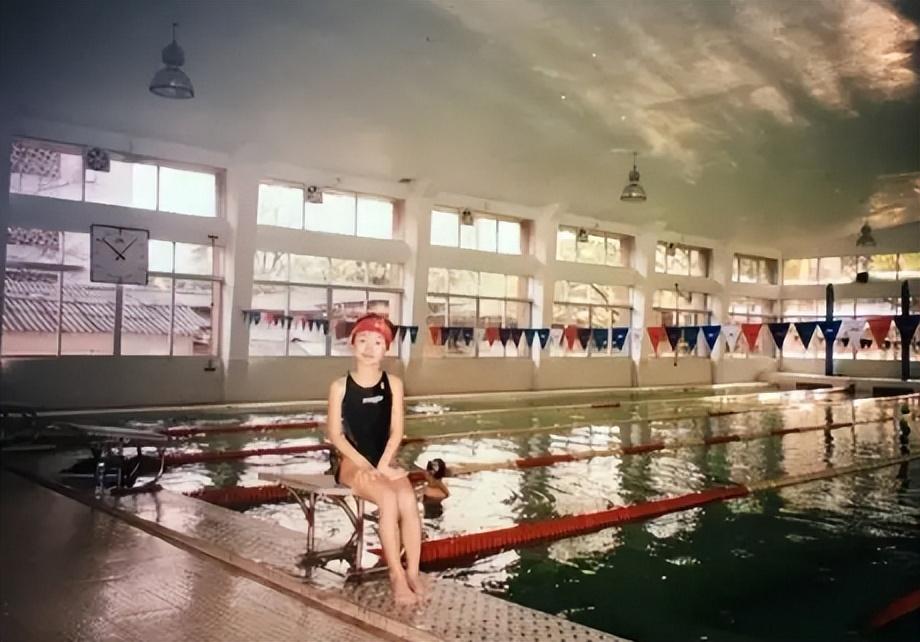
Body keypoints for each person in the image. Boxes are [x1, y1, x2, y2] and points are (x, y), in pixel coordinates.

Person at [325, 313, 426, 605]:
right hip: (352, 462)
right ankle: (395, 575)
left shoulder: (393, 384)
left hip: (383, 461)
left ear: (387, 348)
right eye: (363, 340)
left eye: (378, 342)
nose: (370, 347)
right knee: (389, 500)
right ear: (352, 344)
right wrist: (369, 467)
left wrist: (383, 466)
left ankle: (413, 573)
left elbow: (397, 432)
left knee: (408, 500)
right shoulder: (340, 387)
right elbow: (336, 436)